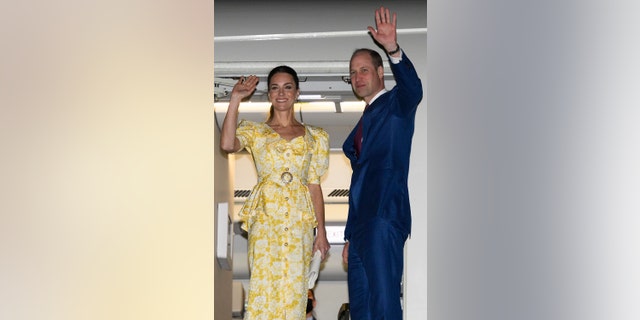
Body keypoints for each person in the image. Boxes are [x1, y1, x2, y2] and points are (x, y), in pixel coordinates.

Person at [220, 65, 331, 319]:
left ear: (297, 93)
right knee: (264, 284)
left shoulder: (316, 137)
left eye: (287, 87)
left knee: (295, 289)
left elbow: (314, 185)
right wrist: (235, 98)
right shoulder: (255, 131)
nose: (281, 93)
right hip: (266, 219)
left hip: (299, 223)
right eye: (274, 88)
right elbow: (227, 144)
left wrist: (321, 233)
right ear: (268, 94)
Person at [341, 6, 423, 320]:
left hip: (384, 215)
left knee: (385, 300)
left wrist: (393, 49)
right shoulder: (359, 128)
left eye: (363, 70)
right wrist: (349, 236)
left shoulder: (396, 106)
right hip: (361, 227)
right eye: (352, 72)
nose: (357, 77)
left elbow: (413, 89)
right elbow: (357, 187)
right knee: (361, 306)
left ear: (380, 73)